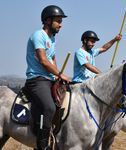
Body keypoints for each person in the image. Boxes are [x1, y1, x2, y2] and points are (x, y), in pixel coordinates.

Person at [24, 5, 71, 150]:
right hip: (37, 79)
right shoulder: (38, 35)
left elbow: (52, 57)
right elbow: (43, 60)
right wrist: (59, 74)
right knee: (49, 107)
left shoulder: (52, 39)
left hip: (49, 79)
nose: (60, 24)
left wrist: (57, 76)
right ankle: (42, 144)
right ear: (48, 21)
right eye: (58, 21)